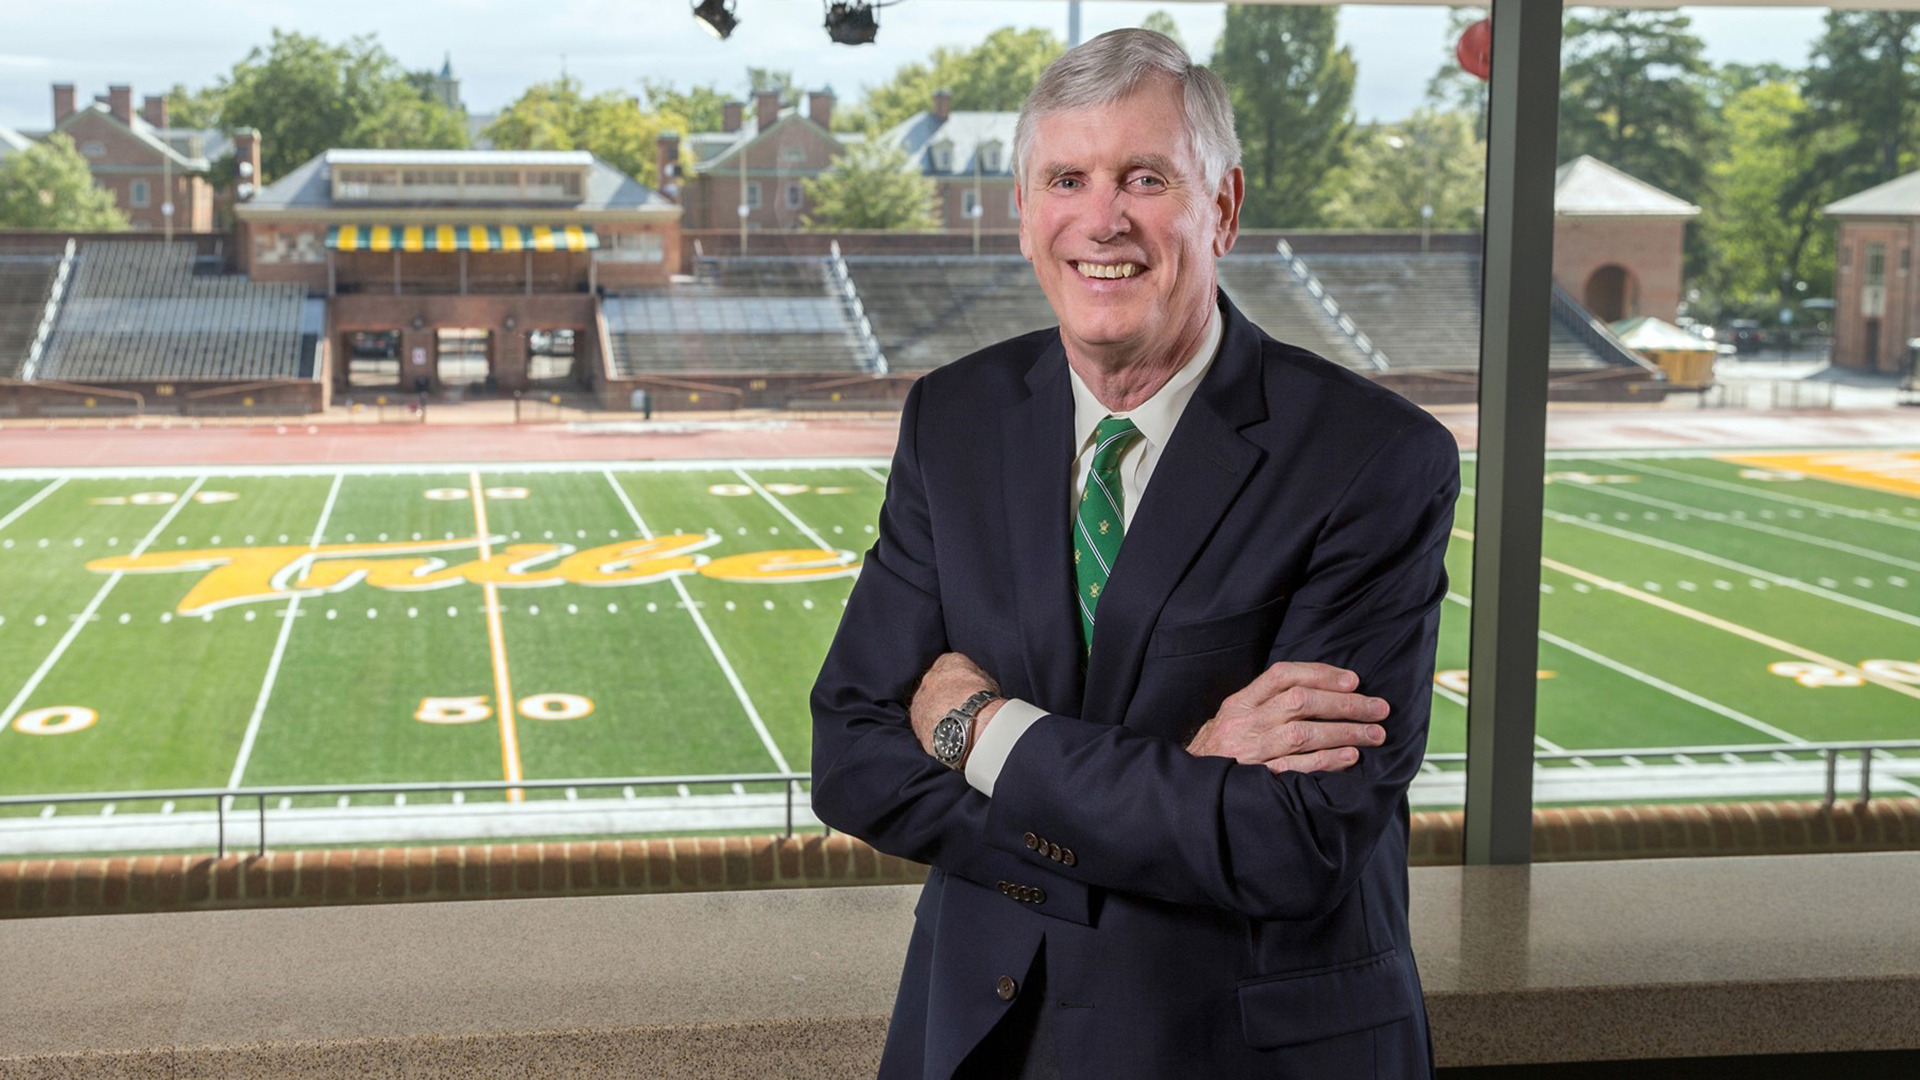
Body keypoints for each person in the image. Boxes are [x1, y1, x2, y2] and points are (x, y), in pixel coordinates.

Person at [811, 28, 1458, 1080]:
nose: (1100, 218)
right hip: (983, 1034)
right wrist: (1171, 793)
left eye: (1145, 178)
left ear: (1224, 208)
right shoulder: (956, 418)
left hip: (1241, 1051)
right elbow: (851, 756)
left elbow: (1296, 837)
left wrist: (983, 732)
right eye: (1066, 178)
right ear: (1024, 211)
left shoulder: (1373, 458)